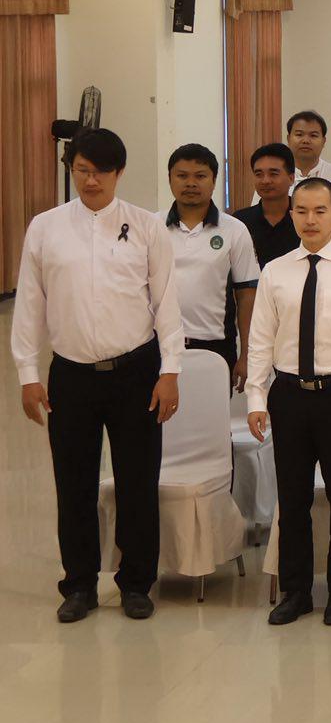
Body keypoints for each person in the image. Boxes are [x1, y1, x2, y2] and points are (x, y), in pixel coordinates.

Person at [13, 129, 183, 623]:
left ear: (119, 173)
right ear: (72, 170)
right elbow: (29, 304)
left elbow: (166, 302)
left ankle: (136, 583)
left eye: (101, 172)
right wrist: (27, 371)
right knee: (74, 482)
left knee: (136, 480)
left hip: (136, 371)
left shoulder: (147, 226)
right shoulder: (45, 228)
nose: (91, 180)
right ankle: (79, 584)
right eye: (82, 170)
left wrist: (170, 370)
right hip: (71, 374)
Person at [242, 178, 331, 626]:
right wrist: (256, 399)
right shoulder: (275, 271)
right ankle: (296, 590)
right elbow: (261, 339)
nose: (310, 219)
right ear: (292, 214)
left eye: (320, 211)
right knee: (293, 498)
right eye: (301, 211)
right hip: (288, 396)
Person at [164, 144, 259, 388]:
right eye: (182, 176)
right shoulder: (153, 227)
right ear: (170, 179)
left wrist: (247, 354)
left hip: (216, 346)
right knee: (160, 425)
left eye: (200, 176)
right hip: (160, 347)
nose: (191, 183)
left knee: (212, 424)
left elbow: (247, 295)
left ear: (214, 180)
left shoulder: (234, 230)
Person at [235, 142, 303, 266]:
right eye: (259, 174)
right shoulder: (240, 221)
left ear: (291, 178)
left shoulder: (305, 218)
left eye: (273, 174)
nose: (265, 181)